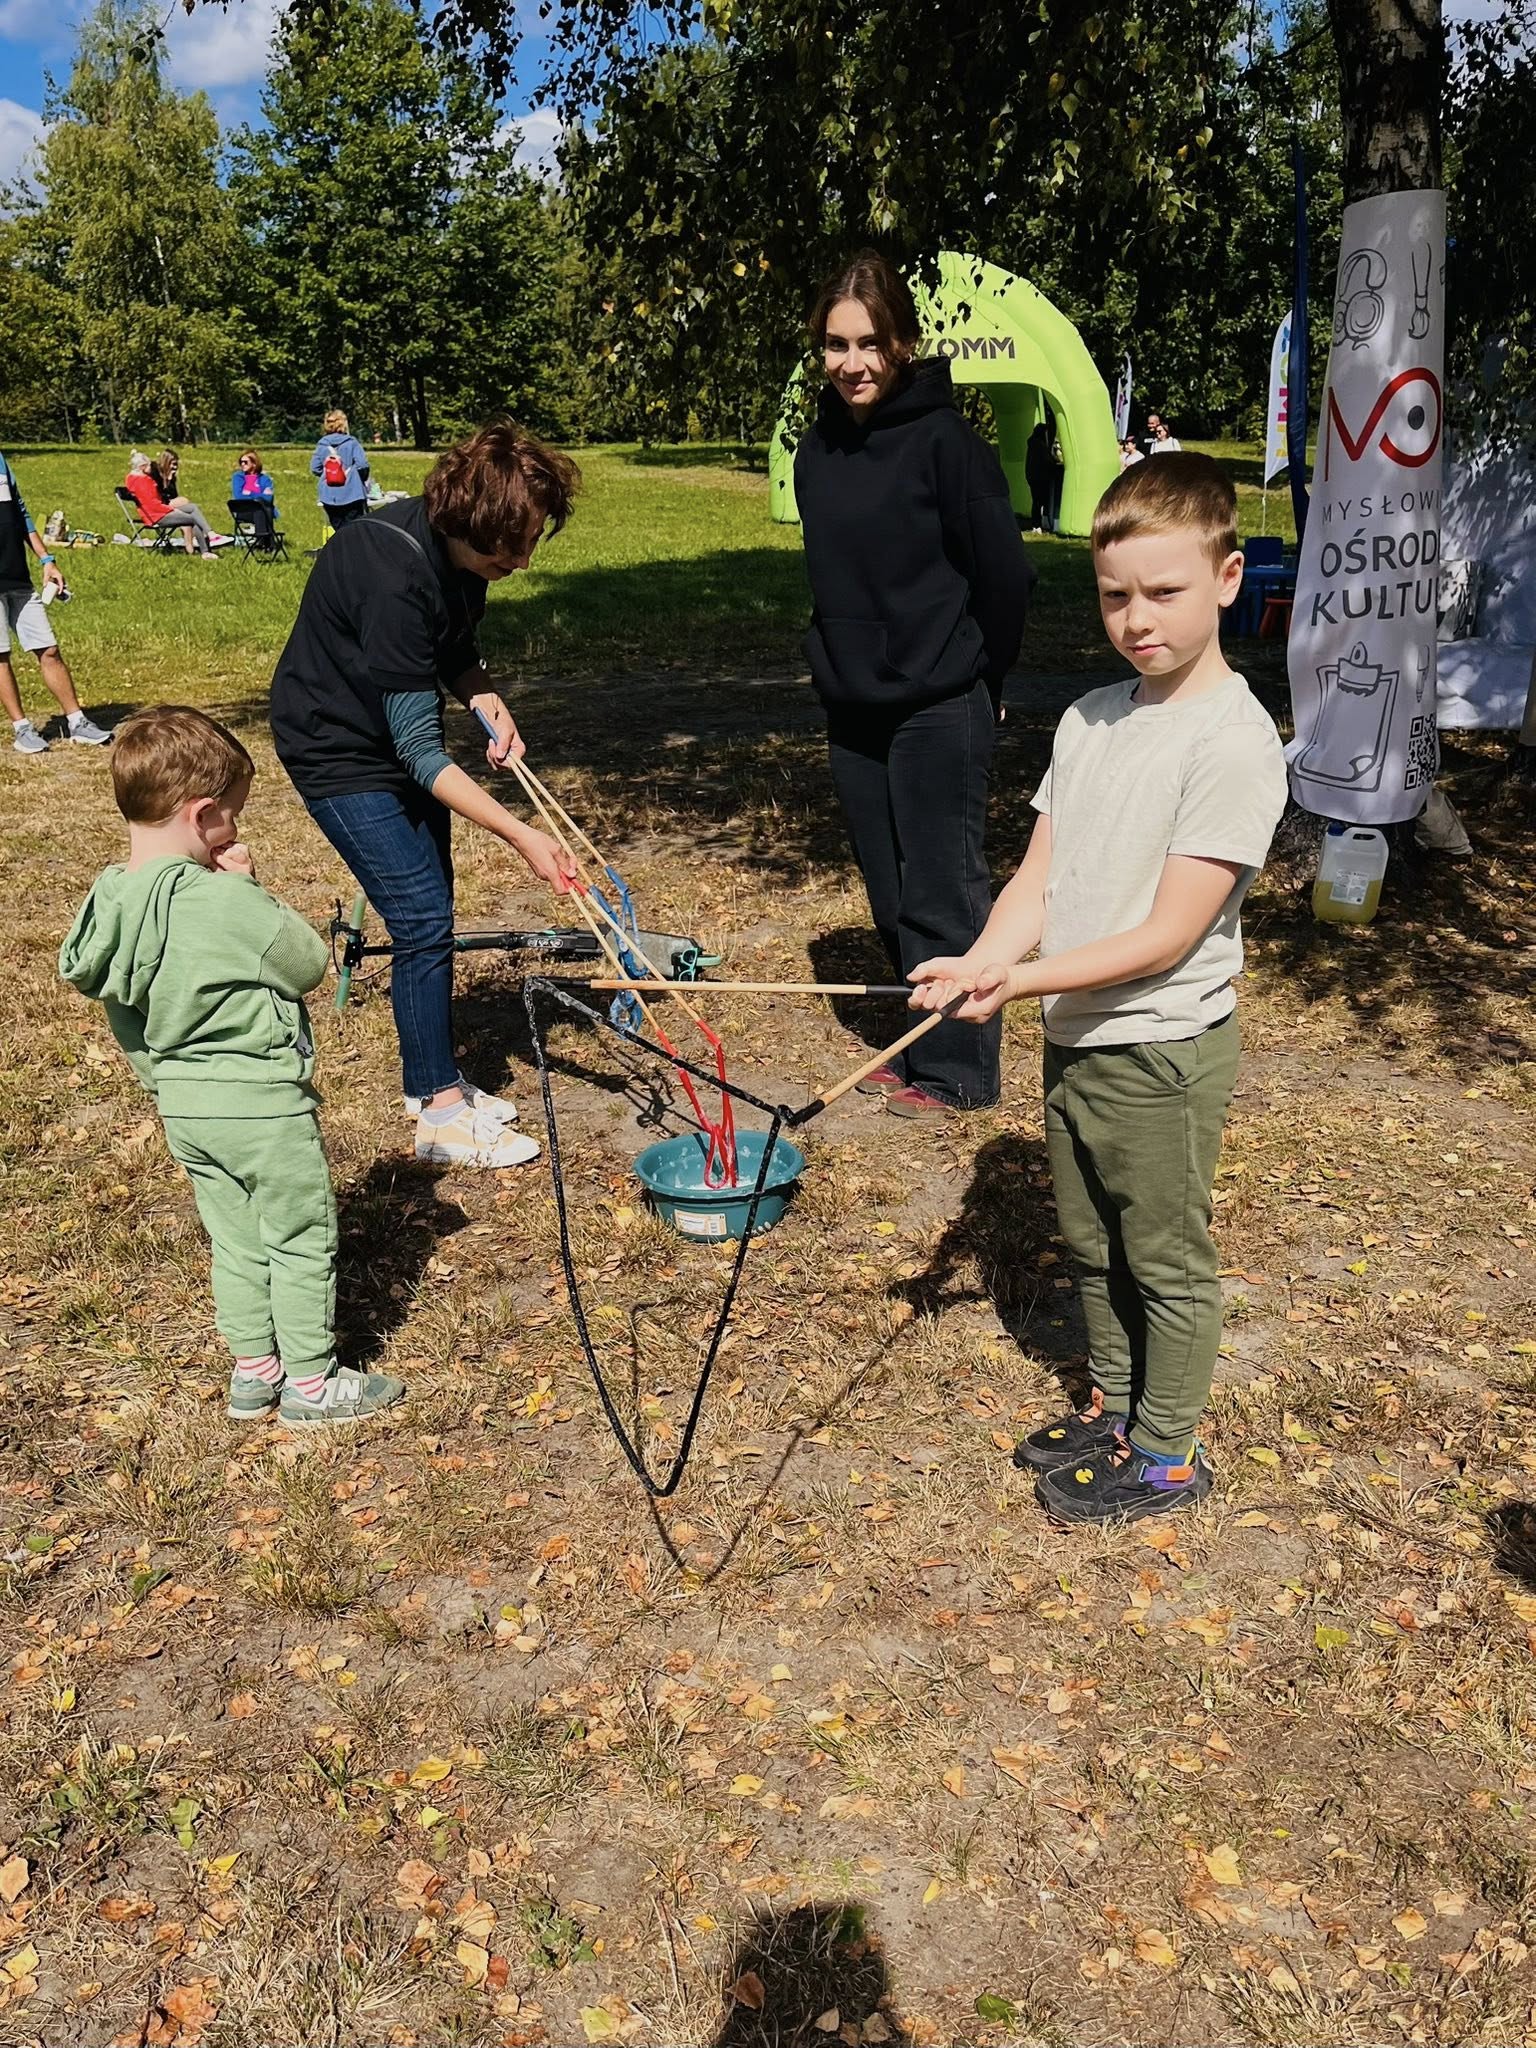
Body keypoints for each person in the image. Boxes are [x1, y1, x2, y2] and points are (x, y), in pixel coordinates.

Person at [909, 454, 1287, 1521]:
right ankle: (1118, 1408)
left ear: (1227, 577)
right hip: (1077, 1032)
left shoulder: (1233, 743)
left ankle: (1167, 1453)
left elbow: (1167, 938)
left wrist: (1020, 981)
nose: (1138, 619)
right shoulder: (1087, 720)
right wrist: (986, 955)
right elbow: (1038, 879)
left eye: (1164, 591)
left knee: (1162, 1256)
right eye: (1116, 595)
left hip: (1159, 1046)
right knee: (1091, 1243)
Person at [58, 706, 404, 1425]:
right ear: (203, 814)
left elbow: (123, 1011)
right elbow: (304, 963)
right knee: (300, 1235)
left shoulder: (109, 902)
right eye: (234, 815)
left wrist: (162, 1081)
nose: (236, 829)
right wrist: (247, 887)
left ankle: (254, 1370)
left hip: (185, 1106)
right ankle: (312, 1383)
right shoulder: (218, 900)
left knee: (235, 1238)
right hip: (261, 1102)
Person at [270, 419, 579, 1168]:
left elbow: (453, 644)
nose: (522, 562)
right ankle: (439, 1117)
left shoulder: (463, 555)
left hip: (387, 737)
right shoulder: (391, 574)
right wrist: (523, 835)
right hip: (337, 748)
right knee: (419, 914)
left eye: (531, 542)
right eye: (508, 549)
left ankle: (431, 1081)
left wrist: (483, 696)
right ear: (463, 522)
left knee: (429, 910)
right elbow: (417, 751)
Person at [793, 249, 1035, 1122]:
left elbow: (1006, 576)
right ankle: (919, 1040)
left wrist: (987, 676)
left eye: (870, 343)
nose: (852, 362)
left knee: (941, 889)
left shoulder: (948, 444)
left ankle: (957, 1073)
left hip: (940, 701)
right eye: (836, 344)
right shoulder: (815, 449)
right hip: (853, 707)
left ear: (902, 344)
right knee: (891, 895)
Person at [1, 448, 111, 754]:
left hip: (18, 577)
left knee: (48, 649)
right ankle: (22, 728)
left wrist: (47, 560)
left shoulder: (1, 461)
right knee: (0, 656)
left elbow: (21, 514)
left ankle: (77, 722)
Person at [122, 451, 220, 559]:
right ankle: (205, 552)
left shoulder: (133, 479)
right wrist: (171, 509)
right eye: (149, 465)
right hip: (156, 516)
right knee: (194, 519)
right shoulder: (143, 482)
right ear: (142, 467)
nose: (151, 468)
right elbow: (153, 505)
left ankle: (210, 534)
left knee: (192, 507)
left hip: (156, 512)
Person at [311, 411, 371, 530]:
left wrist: (329, 474)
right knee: (355, 529)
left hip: (329, 495)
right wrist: (361, 478)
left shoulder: (322, 445)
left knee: (339, 530)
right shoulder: (352, 443)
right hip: (352, 493)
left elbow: (315, 468)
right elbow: (362, 465)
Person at [228, 449, 278, 547]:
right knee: (262, 508)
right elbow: (239, 497)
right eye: (241, 462)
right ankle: (267, 543)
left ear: (254, 464)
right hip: (244, 511)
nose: (242, 464)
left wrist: (249, 494)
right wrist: (260, 495)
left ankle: (262, 542)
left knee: (261, 508)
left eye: (245, 462)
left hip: (262, 511)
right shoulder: (238, 477)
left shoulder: (264, 479)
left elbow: (269, 498)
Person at [1025, 419, 1056, 534]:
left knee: (1036, 501)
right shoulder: (1040, 446)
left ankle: (1036, 524)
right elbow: (1047, 461)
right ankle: (1038, 524)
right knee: (1040, 501)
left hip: (1032, 477)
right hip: (1040, 478)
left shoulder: (1032, 444)